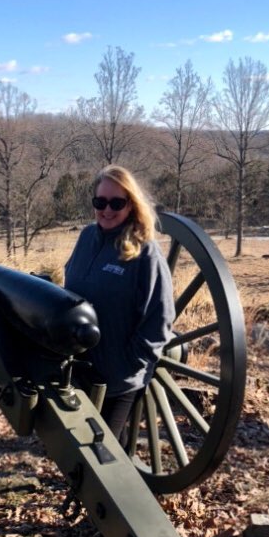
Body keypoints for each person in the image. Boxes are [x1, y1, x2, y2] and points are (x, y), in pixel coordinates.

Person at [64, 165, 175, 444]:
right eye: (100, 202)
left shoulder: (144, 251)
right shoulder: (87, 238)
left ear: (131, 206)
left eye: (117, 203)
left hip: (119, 377)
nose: (107, 210)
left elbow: (160, 319)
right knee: (91, 447)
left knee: (102, 453)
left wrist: (129, 365)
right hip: (82, 368)